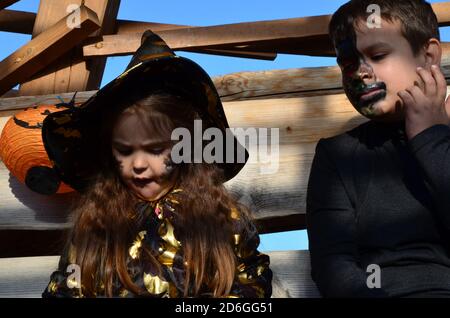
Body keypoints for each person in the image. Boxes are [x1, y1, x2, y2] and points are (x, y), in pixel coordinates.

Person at [41, 31, 272, 298]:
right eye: (125, 150)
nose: (138, 163)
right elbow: (64, 291)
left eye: (155, 149)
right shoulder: (94, 223)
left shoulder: (222, 219)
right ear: (109, 152)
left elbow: (252, 288)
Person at [306, 0, 450, 297]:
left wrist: (431, 137)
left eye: (378, 55)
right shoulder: (339, 156)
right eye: (347, 63)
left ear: (428, 54)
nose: (360, 72)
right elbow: (333, 266)